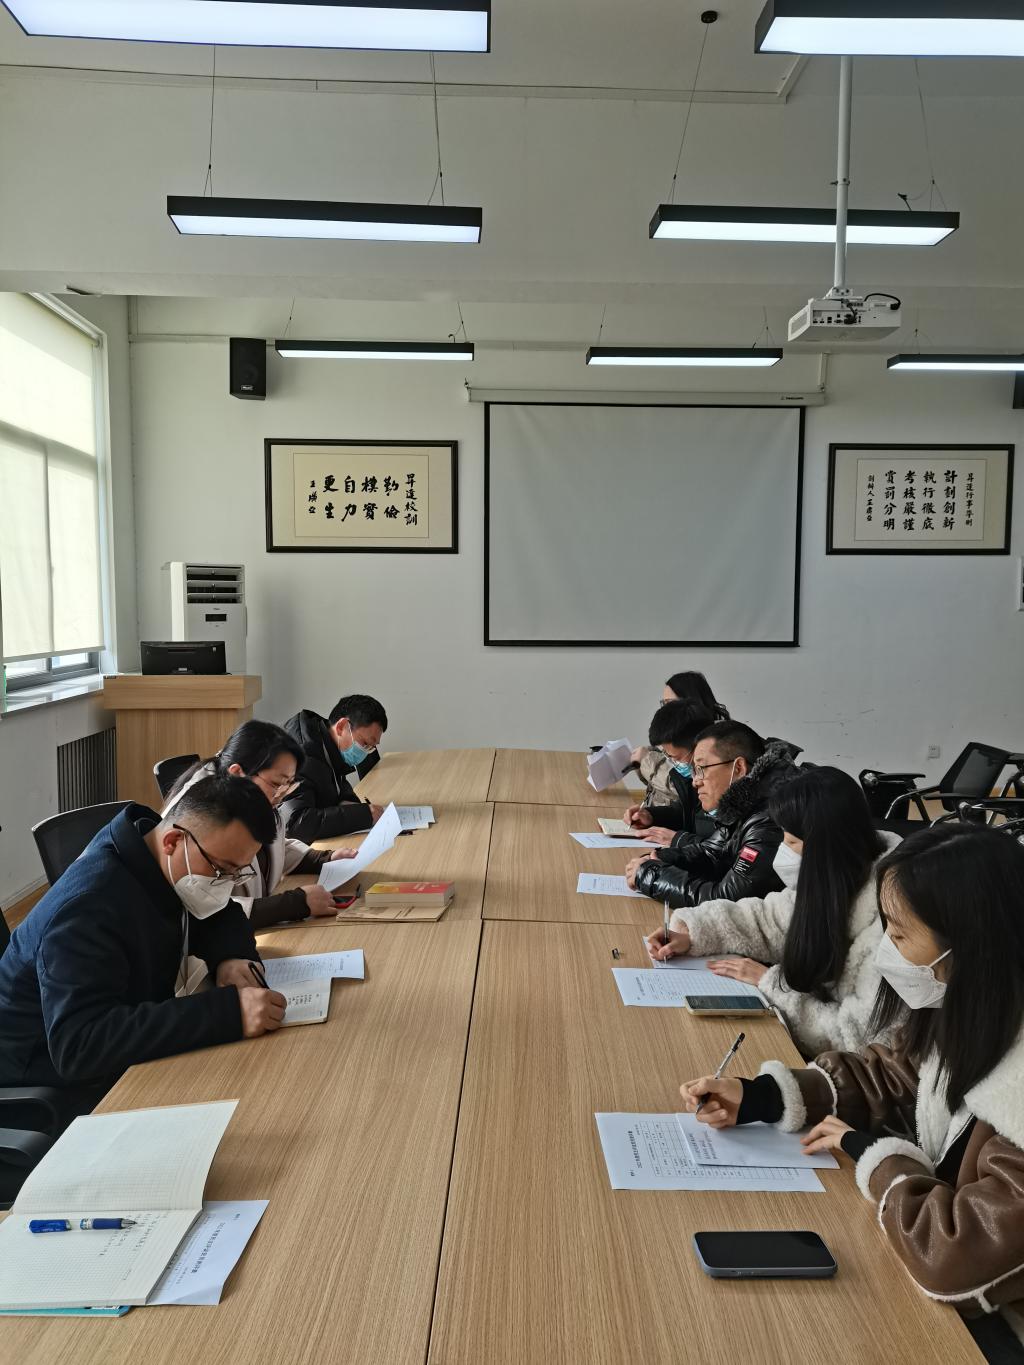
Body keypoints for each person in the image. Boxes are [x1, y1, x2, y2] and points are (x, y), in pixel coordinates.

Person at [680, 825, 1024, 1356]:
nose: (886, 951)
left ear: (973, 944)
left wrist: (877, 1158)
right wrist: (765, 1095)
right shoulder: (978, 1002)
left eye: (900, 935)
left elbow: (956, 1255)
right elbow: (898, 1076)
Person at [0, 776, 288, 1121]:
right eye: (221, 870)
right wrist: (228, 1013)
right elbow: (80, 1044)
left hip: (120, 1046)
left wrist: (230, 957)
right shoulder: (88, 906)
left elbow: (221, 914)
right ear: (173, 841)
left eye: (236, 873)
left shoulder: (159, 856)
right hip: (51, 1084)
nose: (224, 884)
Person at [646, 767, 899, 1056]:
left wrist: (770, 984)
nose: (783, 851)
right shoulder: (839, 874)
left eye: (792, 842)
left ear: (826, 847)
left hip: (842, 1066)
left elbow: (855, 1040)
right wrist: (693, 931)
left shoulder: (893, 925)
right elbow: (769, 920)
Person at [163, 720, 359, 930]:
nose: (281, 794)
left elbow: (273, 845)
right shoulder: (202, 817)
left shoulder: (249, 796)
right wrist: (294, 904)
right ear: (237, 773)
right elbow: (203, 909)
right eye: (276, 784)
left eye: (289, 784)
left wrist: (323, 859)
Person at [626, 720, 797, 908]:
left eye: (702, 769)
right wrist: (659, 859)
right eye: (694, 771)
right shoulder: (743, 801)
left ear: (738, 768)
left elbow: (725, 900)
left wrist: (651, 875)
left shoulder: (770, 819)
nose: (695, 781)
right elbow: (712, 854)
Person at [282, 694, 388, 843]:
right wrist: (361, 815)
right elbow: (295, 824)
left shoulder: (326, 741)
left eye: (371, 747)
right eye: (365, 744)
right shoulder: (301, 755)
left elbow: (334, 787)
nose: (365, 752)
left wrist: (351, 804)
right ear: (341, 726)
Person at [621, 700, 716, 849]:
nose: (672, 762)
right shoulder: (693, 775)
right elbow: (688, 814)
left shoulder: (724, 781)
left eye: (675, 758)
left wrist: (678, 840)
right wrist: (651, 816)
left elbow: (727, 850)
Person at [631, 671, 729, 807]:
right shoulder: (678, 734)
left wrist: (647, 761)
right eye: (663, 703)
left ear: (689, 703)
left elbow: (685, 791)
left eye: (670, 703)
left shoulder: (715, 742)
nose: (666, 709)